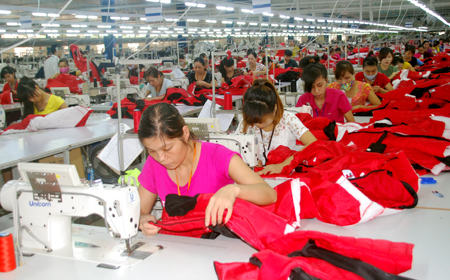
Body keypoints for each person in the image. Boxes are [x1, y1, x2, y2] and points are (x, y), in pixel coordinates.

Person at [137, 103, 277, 236]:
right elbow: (141, 210)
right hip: (176, 247)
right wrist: (141, 220)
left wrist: (235, 190)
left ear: (185, 133)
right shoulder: (153, 164)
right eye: (151, 150)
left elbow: (270, 194)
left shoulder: (217, 156)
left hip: (217, 245)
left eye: (167, 148)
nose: (160, 158)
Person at [236, 79, 317, 175]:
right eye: (254, 121)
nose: (257, 125)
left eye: (261, 121)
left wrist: (283, 164)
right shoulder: (247, 122)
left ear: (274, 109)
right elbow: (234, 149)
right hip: (256, 175)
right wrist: (247, 159)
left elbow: (314, 144)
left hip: (284, 175)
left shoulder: (288, 120)